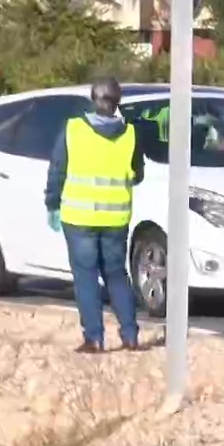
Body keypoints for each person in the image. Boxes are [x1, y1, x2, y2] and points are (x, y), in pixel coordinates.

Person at [44, 76, 147, 353]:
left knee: (86, 277)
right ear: (118, 102)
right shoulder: (131, 135)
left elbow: (57, 170)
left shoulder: (74, 129)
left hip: (79, 219)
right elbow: (138, 175)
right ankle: (130, 335)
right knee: (116, 274)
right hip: (116, 220)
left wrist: (52, 203)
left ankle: (95, 338)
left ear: (93, 98)